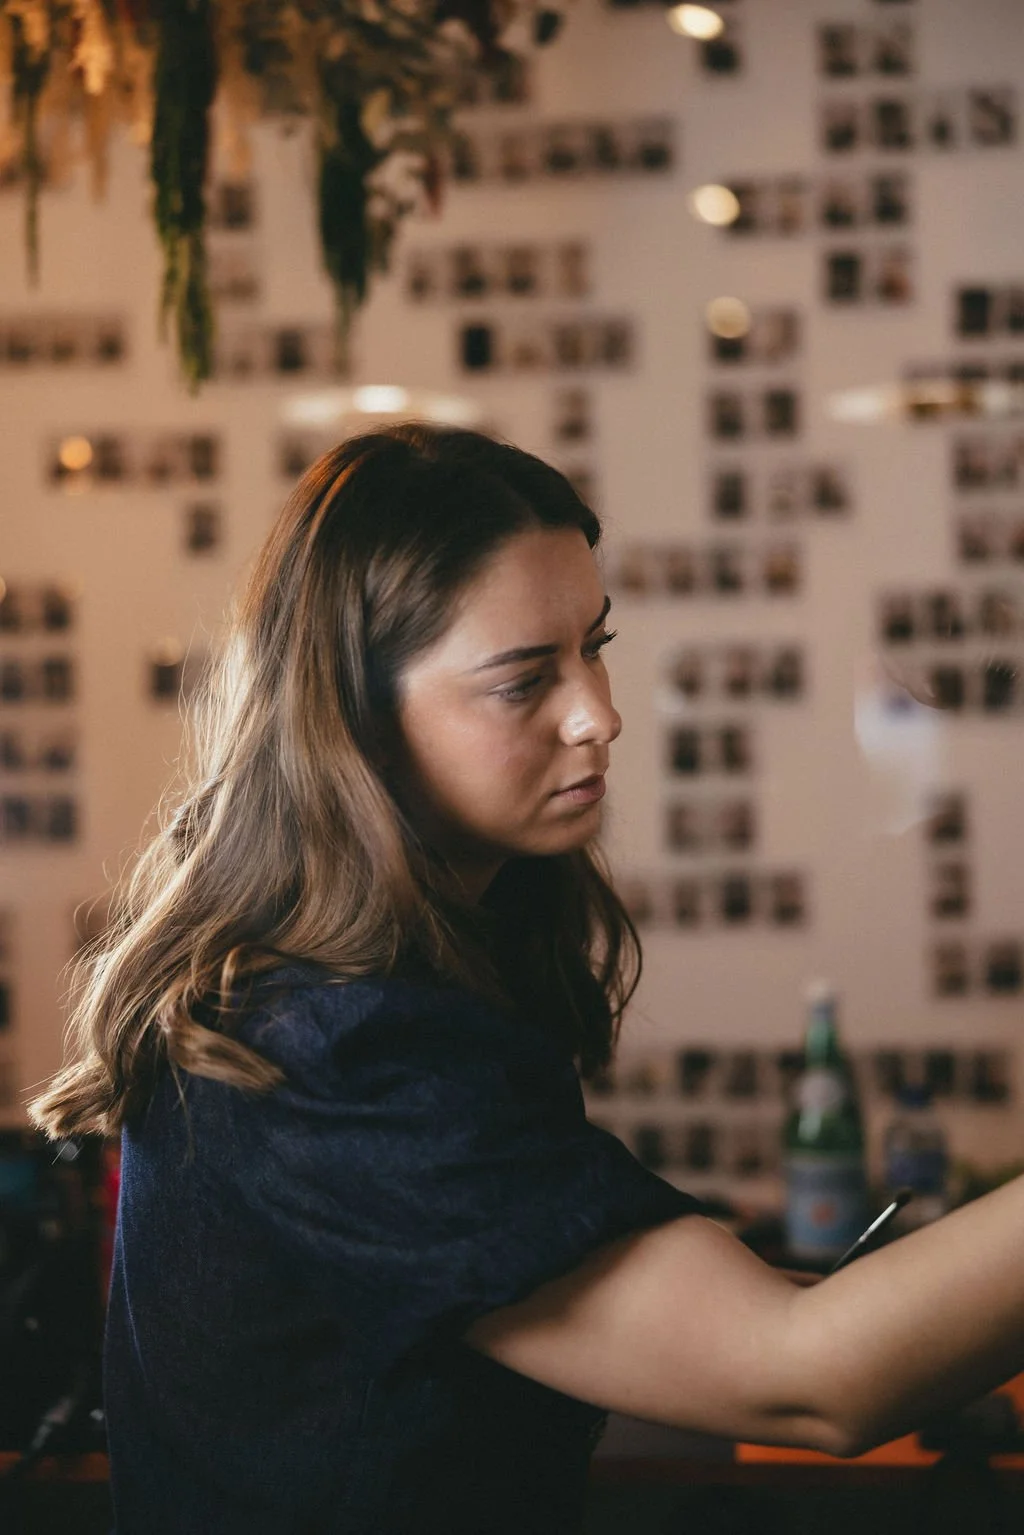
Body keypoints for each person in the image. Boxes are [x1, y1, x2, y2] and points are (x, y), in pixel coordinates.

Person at [26, 423, 1024, 1532]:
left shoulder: (364, 987)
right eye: (523, 680)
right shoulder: (332, 1047)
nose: (600, 710)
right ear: (359, 718)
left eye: (593, 645)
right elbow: (810, 1377)